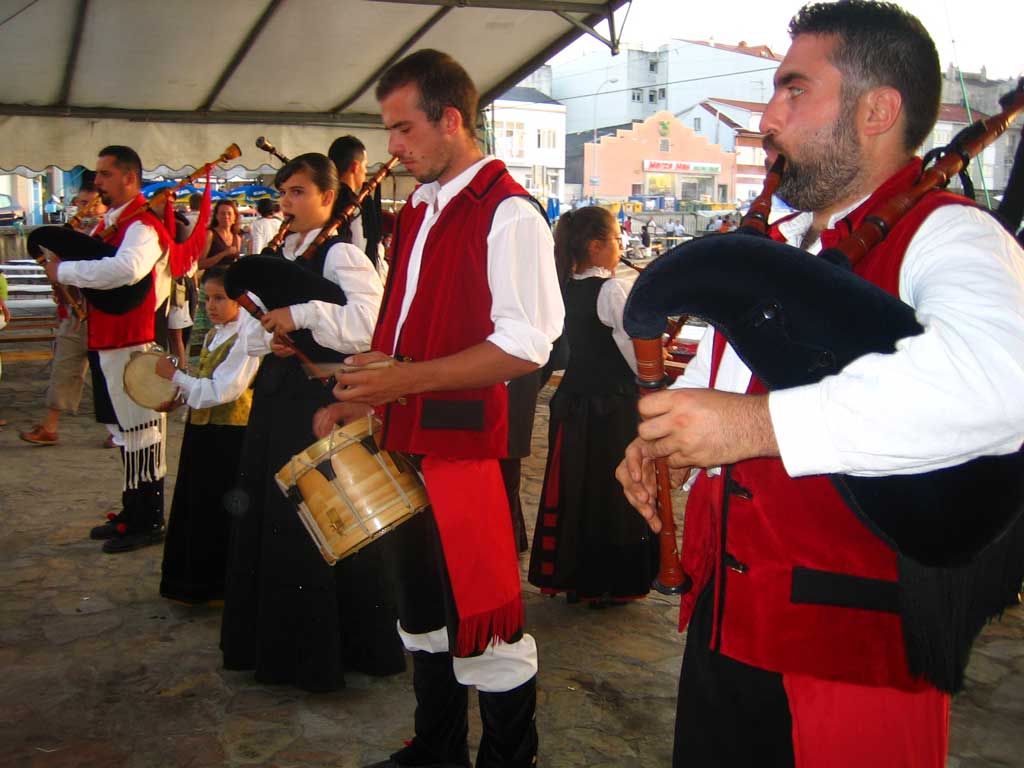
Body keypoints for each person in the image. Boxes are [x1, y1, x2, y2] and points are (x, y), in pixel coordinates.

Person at [616, 3, 1024, 766]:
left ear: (878, 109)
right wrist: (673, 449)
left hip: (851, 654)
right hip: (726, 631)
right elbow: (732, 408)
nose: (767, 118)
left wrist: (753, 428)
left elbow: (999, 387)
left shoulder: (952, 235)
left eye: (793, 91)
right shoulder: (786, 248)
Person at [332, 49, 563, 768]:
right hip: (407, 439)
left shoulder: (509, 213)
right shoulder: (421, 211)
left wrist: (405, 380)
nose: (392, 149)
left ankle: (505, 758)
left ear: (451, 119)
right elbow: (407, 332)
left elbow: (529, 346)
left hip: (467, 452)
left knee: (487, 623)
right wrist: (366, 387)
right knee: (423, 611)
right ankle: (436, 747)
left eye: (403, 130)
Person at [221, 152, 403, 692]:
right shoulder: (279, 252)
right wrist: (269, 335)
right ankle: (278, 650)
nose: (288, 203)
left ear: (328, 198)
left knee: (322, 520)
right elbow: (250, 333)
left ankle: (337, 650)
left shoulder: (344, 254)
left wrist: (301, 315)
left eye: (299, 192)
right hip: (277, 400)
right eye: (284, 193)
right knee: (276, 521)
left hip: (322, 401)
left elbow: (371, 325)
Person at [44, 145, 172, 553]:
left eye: (104, 174)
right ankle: (133, 510)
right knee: (125, 431)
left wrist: (63, 270)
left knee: (142, 432)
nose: (96, 182)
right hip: (108, 340)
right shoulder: (115, 224)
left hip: (130, 343)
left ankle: (147, 518)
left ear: (129, 178)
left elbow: (125, 270)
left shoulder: (142, 226)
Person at [528, 206, 657, 606]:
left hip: (575, 402)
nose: (621, 247)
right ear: (597, 246)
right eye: (617, 239)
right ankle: (612, 582)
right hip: (612, 406)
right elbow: (632, 350)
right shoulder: (612, 290)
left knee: (580, 489)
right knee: (615, 491)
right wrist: (655, 384)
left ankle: (580, 578)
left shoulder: (564, 286)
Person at [157, 266, 260, 605]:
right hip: (204, 431)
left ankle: (219, 586)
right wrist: (180, 395)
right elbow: (203, 384)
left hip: (229, 436)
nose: (211, 306)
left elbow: (224, 390)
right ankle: (196, 584)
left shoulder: (246, 337)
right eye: (206, 300)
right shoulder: (216, 333)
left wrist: (177, 378)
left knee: (219, 511)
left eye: (220, 298)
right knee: (198, 507)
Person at [20, 183, 107, 446]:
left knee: (110, 373)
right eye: (81, 204)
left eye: (91, 203)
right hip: (76, 310)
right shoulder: (69, 234)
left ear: (103, 207)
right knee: (65, 366)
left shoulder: (111, 233)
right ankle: (50, 426)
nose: (85, 209)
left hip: (105, 313)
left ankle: (120, 431)